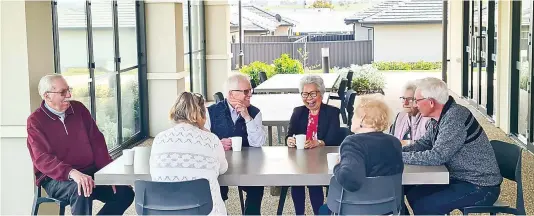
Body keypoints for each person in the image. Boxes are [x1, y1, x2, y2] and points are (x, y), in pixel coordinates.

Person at [26, 74, 134, 215]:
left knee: (124, 192)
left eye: (68, 90)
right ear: (47, 96)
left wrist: (109, 172)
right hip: (56, 178)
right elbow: (42, 158)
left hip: (90, 171)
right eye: (63, 92)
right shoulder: (35, 121)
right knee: (81, 189)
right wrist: (72, 173)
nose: (69, 95)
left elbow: (97, 143)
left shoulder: (79, 109)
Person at [402, 77, 502, 215]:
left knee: (425, 206)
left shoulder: (454, 118)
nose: (415, 105)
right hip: (459, 179)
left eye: (417, 100)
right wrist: (397, 150)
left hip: (481, 186)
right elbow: (424, 143)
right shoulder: (439, 117)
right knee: (413, 193)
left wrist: (399, 157)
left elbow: (437, 156)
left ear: (431, 102)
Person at [319, 94, 404, 215]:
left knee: (323, 210)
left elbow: (351, 181)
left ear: (362, 119)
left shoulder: (352, 143)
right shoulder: (394, 142)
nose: (351, 117)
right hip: (387, 210)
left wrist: (338, 166)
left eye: (354, 114)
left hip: (354, 210)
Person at [150, 92, 228, 215]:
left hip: (165, 211)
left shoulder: (159, 139)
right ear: (202, 114)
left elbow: (154, 171)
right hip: (205, 212)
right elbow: (223, 169)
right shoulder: (211, 139)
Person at [204, 73, 266, 215]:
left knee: (256, 185)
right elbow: (204, 140)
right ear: (231, 94)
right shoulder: (210, 112)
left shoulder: (254, 112)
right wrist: (218, 143)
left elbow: (258, 143)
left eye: (250, 90)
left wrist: (247, 117)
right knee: (213, 187)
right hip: (218, 163)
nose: (250, 94)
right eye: (245, 91)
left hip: (248, 164)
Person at [285, 75, 341, 215]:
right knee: (296, 180)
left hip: (322, 159)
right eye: (305, 94)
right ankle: (299, 213)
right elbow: (289, 134)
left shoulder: (332, 112)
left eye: (312, 94)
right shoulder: (298, 112)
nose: (308, 98)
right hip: (300, 158)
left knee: (313, 182)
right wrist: (289, 140)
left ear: (321, 94)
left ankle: (317, 212)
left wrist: (319, 142)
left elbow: (334, 137)